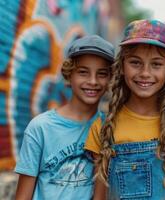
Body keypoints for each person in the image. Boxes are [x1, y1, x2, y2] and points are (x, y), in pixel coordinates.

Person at [85, 19, 165, 200]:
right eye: (135, 62)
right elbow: (99, 197)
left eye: (156, 64)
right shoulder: (103, 127)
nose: (145, 73)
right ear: (122, 66)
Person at [15, 34, 114, 200]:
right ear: (69, 75)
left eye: (102, 74)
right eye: (83, 72)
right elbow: (23, 196)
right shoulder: (41, 128)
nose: (92, 81)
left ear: (110, 79)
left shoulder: (108, 128)